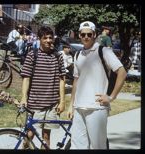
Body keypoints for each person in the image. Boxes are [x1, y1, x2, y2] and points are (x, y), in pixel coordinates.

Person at [67, 21, 127, 149]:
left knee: (98, 147)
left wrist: (111, 97)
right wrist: (71, 106)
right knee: (77, 147)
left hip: (97, 108)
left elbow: (122, 72)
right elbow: (76, 80)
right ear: (79, 35)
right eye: (83, 35)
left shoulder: (103, 51)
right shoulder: (78, 54)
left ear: (94, 35)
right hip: (79, 107)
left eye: (89, 34)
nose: (86, 37)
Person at [20, 26, 66, 149]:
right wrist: (24, 98)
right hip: (34, 104)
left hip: (51, 104)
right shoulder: (32, 55)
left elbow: (62, 79)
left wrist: (62, 101)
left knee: (46, 137)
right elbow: (26, 78)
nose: (48, 40)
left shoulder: (58, 56)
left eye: (50, 37)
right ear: (40, 39)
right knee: (29, 135)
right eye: (45, 38)